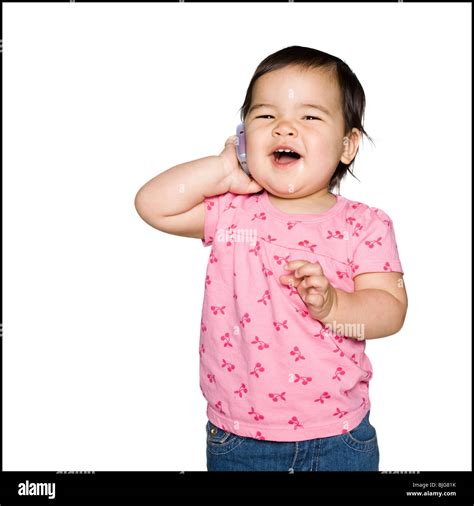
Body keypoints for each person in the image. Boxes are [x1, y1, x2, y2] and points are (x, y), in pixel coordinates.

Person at [134, 45, 408, 472]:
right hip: (238, 437)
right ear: (245, 136)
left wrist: (336, 304)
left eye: (310, 117)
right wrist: (222, 170)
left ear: (347, 144)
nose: (285, 128)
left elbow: (390, 311)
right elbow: (153, 205)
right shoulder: (231, 211)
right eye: (265, 116)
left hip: (337, 435)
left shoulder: (365, 225)